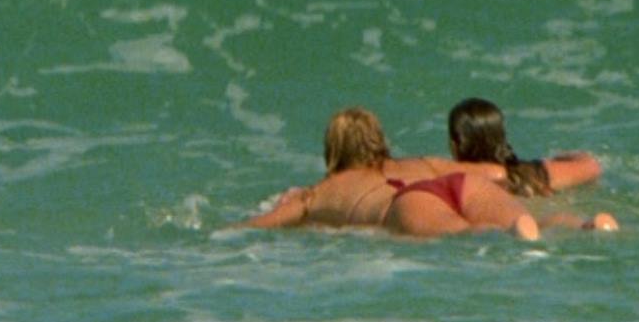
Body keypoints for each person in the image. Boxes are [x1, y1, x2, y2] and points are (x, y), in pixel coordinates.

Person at [236, 107, 616, 240]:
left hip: (409, 203)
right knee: (535, 222)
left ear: (332, 151)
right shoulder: (424, 162)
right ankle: (587, 224)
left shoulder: (318, 191)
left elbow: (262, 225)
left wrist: (230, 229)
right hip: (459, 184)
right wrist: (566, 165)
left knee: (469, 234)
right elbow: (496, 172)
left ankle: (512, 234)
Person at [446, 97, 603, 196]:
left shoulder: (450, 184)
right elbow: (592, 166)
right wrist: (557, 159)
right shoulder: (528, 174)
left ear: (454, 146)